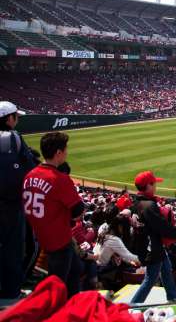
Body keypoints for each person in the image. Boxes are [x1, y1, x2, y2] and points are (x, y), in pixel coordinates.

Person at [22, 131, 85, 297]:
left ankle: (73, 304)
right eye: (65, 149)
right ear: (58, 152)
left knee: (76, 269)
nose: (66, 152)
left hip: (41, 236)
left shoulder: (29, 175)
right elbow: (78, 210)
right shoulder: (59, 179)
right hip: (59, 240)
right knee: (57, 286)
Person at [130, 171, 176, 304]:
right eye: (154, 183)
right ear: (148, 186)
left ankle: (172, 295)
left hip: (147, 244)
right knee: (150, 278)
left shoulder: (137, 202)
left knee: (166, 267)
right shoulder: (149, 205)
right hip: (151, 247)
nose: (156, 186)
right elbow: (161, 226)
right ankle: (133, 304)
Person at [0, 101, 38, 299]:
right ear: (9, 118)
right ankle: (11, 291)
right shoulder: (13, 138)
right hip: (11, 203)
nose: (18, 120)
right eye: (16, 116)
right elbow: (30, 168)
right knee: (13, 247)